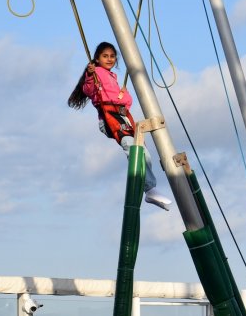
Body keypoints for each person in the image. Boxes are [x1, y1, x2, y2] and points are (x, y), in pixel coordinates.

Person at [67, 41, 172, 211]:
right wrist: (89, 73)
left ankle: (149, 188)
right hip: (110, 118)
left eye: (112, 56)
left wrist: (123, 94)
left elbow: (124, 101)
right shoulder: (96, 73)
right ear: (97, 59)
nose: (109, 59)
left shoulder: (112, 77)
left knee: (143, 153)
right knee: (132, 148)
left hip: (122, 117)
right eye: (105, 56)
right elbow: (88, 89)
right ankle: (149, 189)